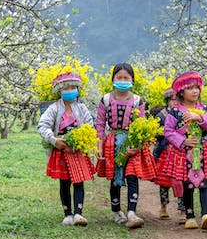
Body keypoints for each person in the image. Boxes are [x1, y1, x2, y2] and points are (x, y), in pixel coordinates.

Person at [95, 63, 156, 229]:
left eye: (126, 78)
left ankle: (131, 212)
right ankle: (116, 211)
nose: (122, 80)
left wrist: (136, 145)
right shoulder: (106, 100)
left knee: (132, 175)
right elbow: (100, 124)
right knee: (115, 177)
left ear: (132, 80)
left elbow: (141, 124)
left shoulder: (137, 101)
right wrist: (99, 146)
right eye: (119, 77)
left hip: (132, 142)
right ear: (113, 79)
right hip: (112, 142)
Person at [159, 71, 207, 230]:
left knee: (204, 182)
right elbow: (168, 131)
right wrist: (183, 140)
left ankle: (206, 214)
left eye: (197, 88)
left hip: (202, 151)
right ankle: (190, 215)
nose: (195, 91)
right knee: (187, 183)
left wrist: (199, 118)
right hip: (183, 153)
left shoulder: (204, 108)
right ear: (181, 91)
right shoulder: (175, 111)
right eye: (190, 88)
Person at [38, 71, 96, 226]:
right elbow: (43, 126)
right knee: (64, 182)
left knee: (78, 181)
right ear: (60, 90)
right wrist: (54, 140)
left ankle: (78, 213)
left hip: (77, 151)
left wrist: (80, 142)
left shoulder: (82, 109)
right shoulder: (54, 109)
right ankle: (67, 213)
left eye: (73, 87)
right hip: (61, 150)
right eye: (66, 88)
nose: (70, 91)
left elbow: (90, 126)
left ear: (77, 89)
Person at [150, 88, 185, 222]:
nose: (175, 103)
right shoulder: (161, 116)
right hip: (165, 152)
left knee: (181, 181)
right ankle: (163, 206)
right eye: (172, 100)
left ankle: (182, 209)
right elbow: (156, 135)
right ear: (167, 101)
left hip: (180, 152)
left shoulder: (184, 113)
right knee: (164, 182)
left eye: (177, 100)